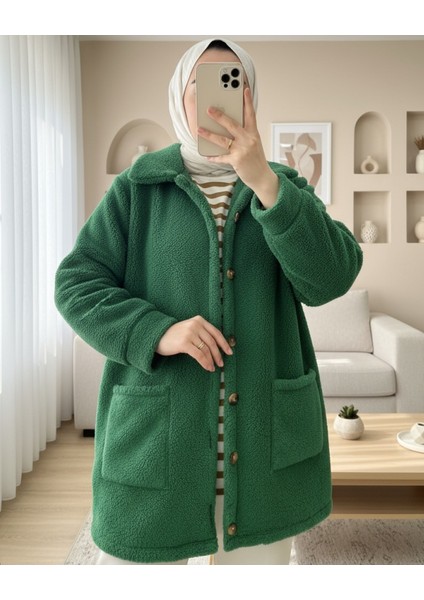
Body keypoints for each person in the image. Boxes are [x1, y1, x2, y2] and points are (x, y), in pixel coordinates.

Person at [55, 38, 363, 565]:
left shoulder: (282, 185)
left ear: (251, 98)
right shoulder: (138, 187)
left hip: (266, 463)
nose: (218, 97)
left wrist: (264, 180)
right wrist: (157, 331)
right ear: (180, 95)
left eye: (232, 82)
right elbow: (76, 283)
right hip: (158, 452)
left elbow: (332, 278)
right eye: (202, 82)